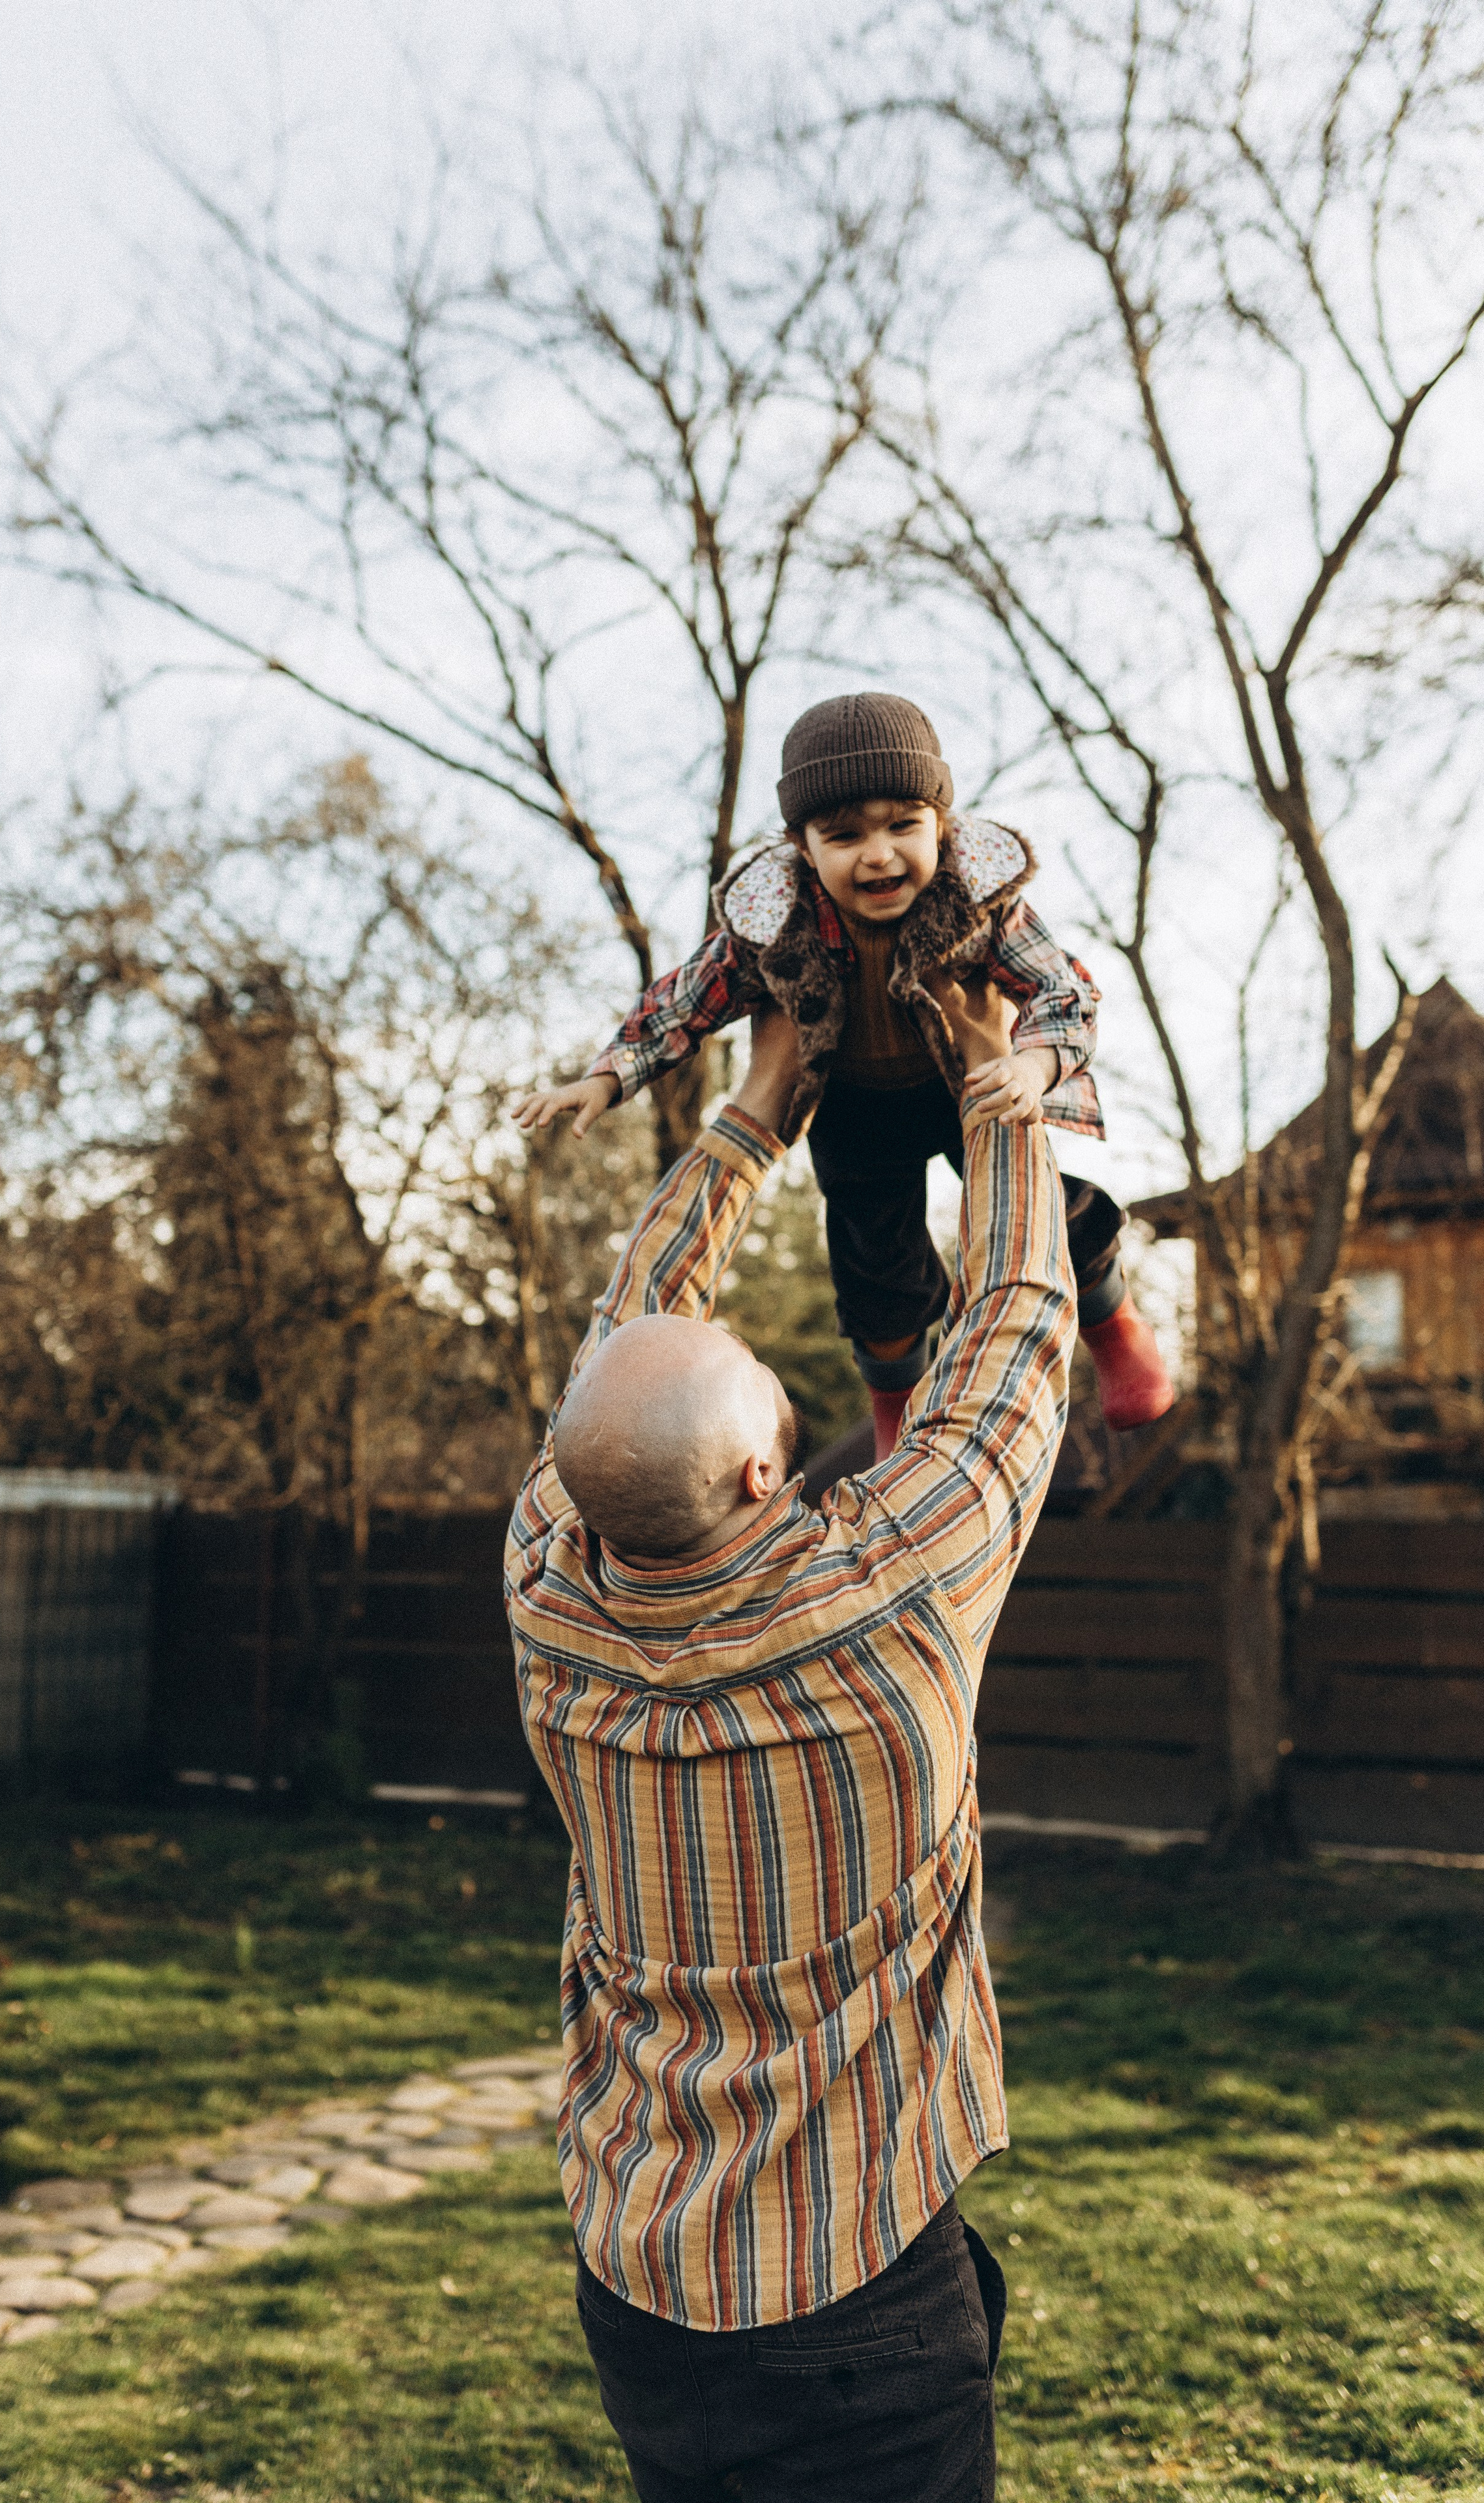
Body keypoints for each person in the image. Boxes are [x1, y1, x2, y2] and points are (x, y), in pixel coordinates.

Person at [504, 978, 1075, 2502]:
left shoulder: (548, 1598)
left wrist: (753, 1115)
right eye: (768, 1390)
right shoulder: (893, 1597)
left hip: (639, 2282)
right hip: (860, 2298)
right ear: (765, 1470)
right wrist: (995, 1100)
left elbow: (616, 1344)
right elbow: (1015, 1330)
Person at [512, 688, 1172, 1452]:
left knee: (1044, 1210)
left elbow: (1063, 987)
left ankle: (1115, 1326)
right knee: (873, 1270)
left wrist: (1033, 1063)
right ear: (803, 847)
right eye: (844, 835)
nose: (878, 854)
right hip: (853, 1105)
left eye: (903, 825)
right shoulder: (775, 921)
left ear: (942, 825)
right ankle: (895, 1412)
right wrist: (608, 1075)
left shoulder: (978, 899)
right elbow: (687, 999)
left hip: (967, 1085)